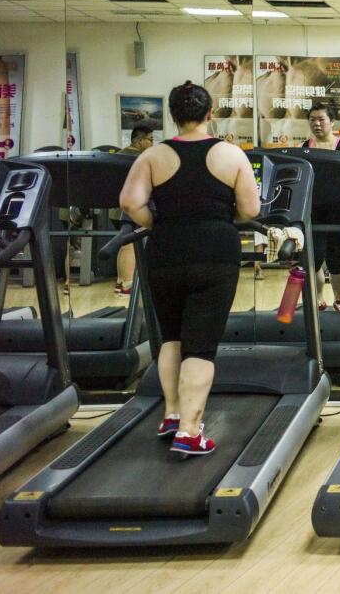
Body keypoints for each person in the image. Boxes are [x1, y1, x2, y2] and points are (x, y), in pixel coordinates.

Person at [119, 82, 261, 456]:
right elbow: (250, 210)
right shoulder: (231, 155)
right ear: (210, 113)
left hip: (166, 250)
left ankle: (171, 413)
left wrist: (155, 224)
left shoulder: (152, 156)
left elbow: (130, 202)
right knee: (201, 347)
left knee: (171, 338)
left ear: (172, 115)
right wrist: (219, 216)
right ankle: (189, 432)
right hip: (215, 250)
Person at [303, 104, 340, 311]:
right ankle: (318, 299)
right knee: (314, 258)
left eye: (321, 119)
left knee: (338, 261)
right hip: (313, 213)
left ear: (331, 122)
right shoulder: (304, 147)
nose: (317, 123)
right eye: (312, 119)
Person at [112, 124, 155, 296]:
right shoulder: (138, 158)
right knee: (130, 246)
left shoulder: (120, 155)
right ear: (138, 140)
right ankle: (128, 284)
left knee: (123, 245)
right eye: (150, 140)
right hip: (132, 208)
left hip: (116, 209)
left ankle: (120, 281)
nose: (152, 144)